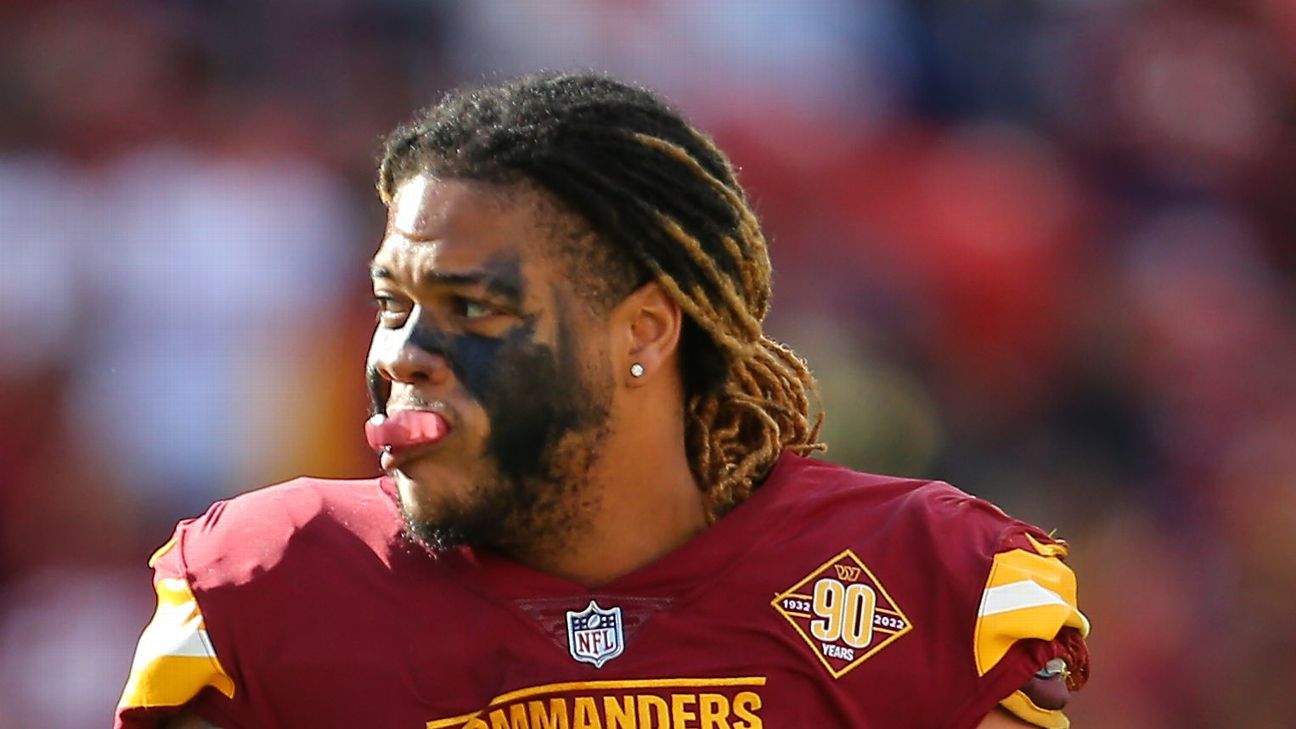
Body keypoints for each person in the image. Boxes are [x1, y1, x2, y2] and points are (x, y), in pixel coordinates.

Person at [114, 72, 1089, 729]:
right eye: (392, 306)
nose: (403, 355)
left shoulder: (918, 580)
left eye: (472, 307)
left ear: (644, 332)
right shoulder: (274, 586)